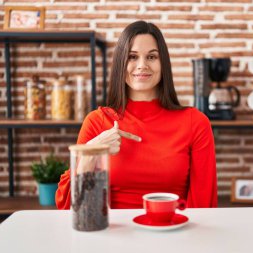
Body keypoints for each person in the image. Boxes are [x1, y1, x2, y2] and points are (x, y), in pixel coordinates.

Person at [56, 20, 218, 209]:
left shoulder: (195, 123)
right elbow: (67, 207)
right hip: (113, 234)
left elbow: (203, 206)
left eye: (151, 57)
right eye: (132, 57)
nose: (142, 65)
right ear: (121, 63)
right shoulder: (97, 122)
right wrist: (92, 153)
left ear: (163, 63)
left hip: (172, 232)